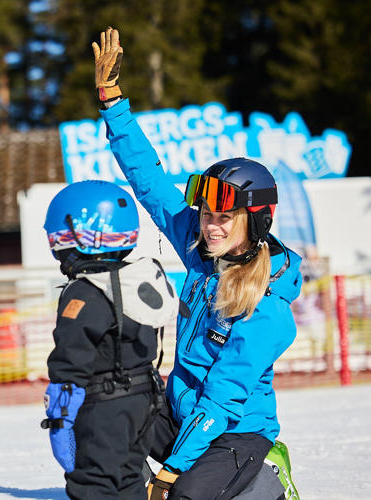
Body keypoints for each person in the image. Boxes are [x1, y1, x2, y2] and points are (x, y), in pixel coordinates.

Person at [92, 28, 302, 500]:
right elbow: (150, 182)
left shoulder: (266, 305)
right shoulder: (199, 248)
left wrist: (170, 473)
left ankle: (269, 476)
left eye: (224, 217)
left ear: (257, 221)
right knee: (103, 427)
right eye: (207, 214)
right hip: (182, 412)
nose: (211, 225)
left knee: (184, 495)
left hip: (235, 430)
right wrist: (112, 104)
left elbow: (223, 399)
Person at [41, 180, 178, 499]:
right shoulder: (136, 280)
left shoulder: (86, 290)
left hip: (105, 405)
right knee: (128, 478)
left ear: (76, 234)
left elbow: (70, 360)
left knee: (93, 483)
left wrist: (60, 415)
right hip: (145, 401)